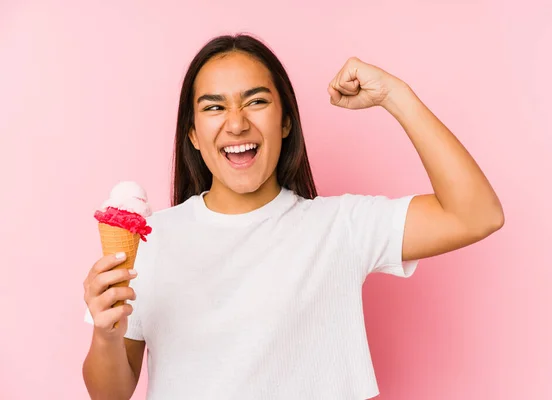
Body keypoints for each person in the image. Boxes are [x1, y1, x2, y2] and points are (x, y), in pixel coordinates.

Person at [82, 33, 504, 400]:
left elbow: (476, 214)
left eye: (257, 101)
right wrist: (106, 331)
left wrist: (396, 96)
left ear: (286, 121)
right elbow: (111, 394)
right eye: (214, 107)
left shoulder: (340, 228)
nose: (236, 123)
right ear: (192, 133)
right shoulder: (151, 240)